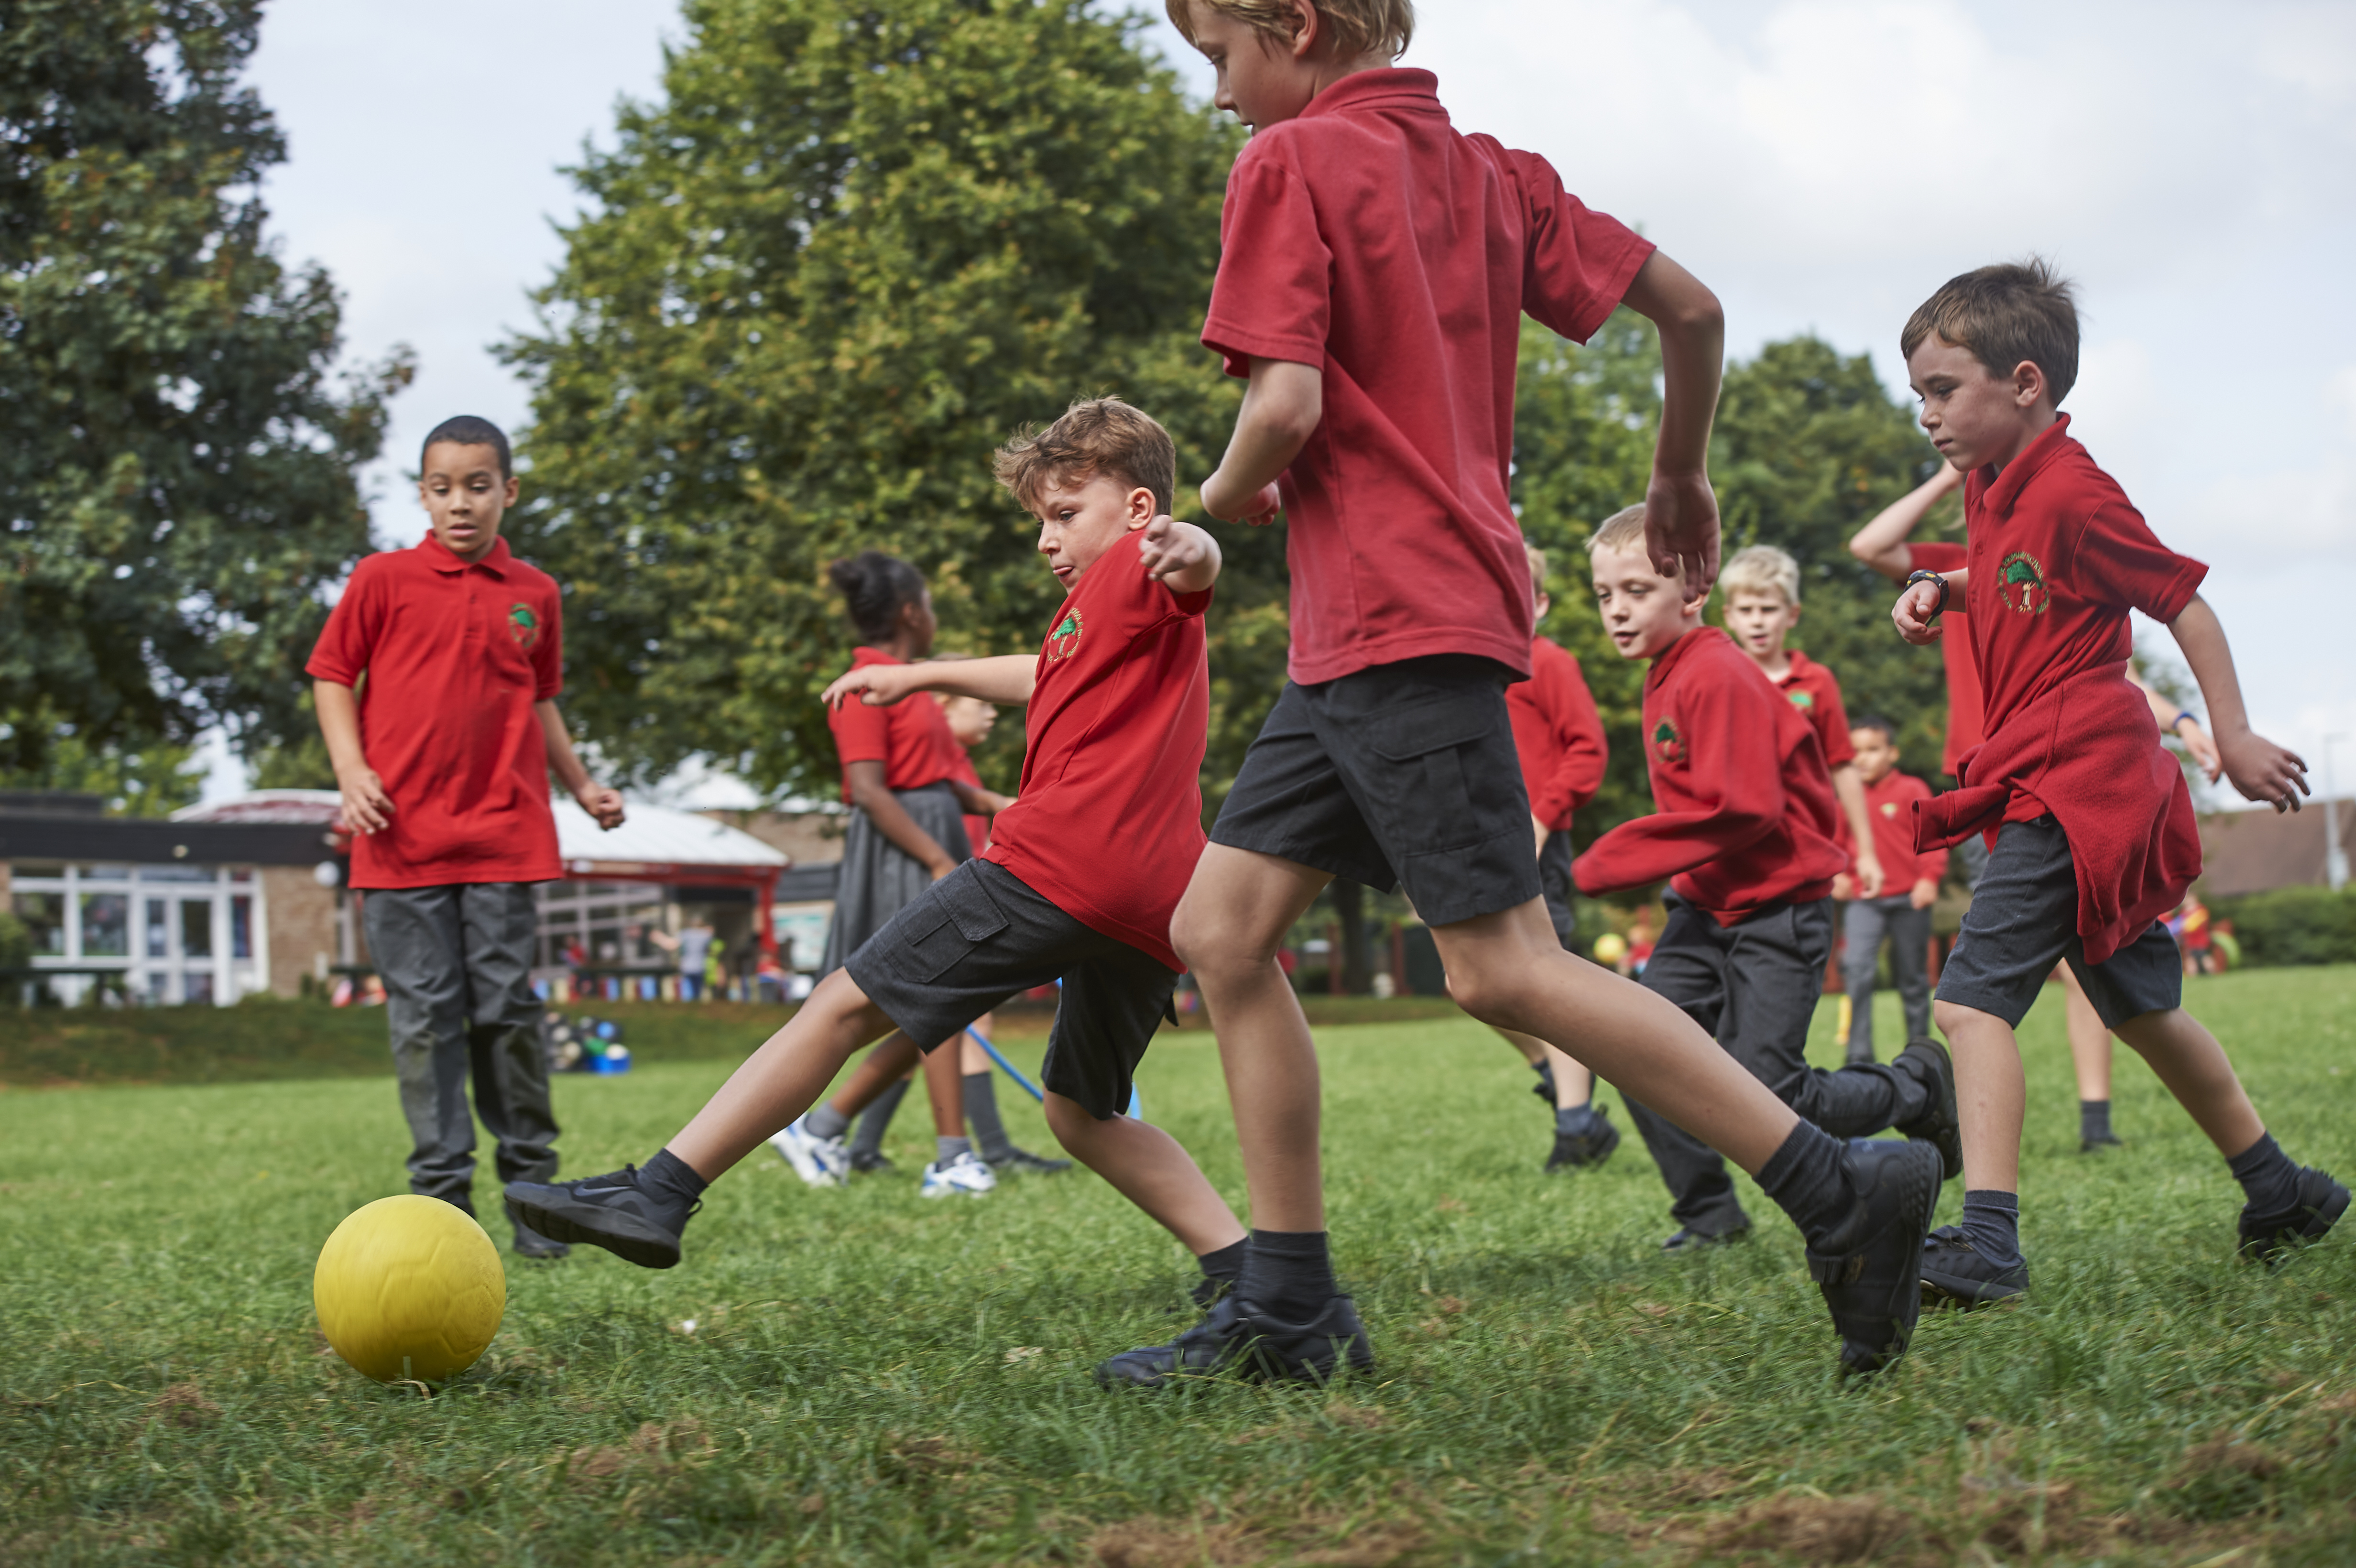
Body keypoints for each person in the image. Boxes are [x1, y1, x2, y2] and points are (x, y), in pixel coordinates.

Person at [1112, 0, 1943, 1386]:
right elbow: (1693, 307)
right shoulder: (1495, 172)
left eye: (1218, 58)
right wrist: (1681, 469)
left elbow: (1287, 405)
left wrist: (1224, 492)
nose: (1216, 97)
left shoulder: (1288, 164)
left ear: (1296, 27)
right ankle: (1293, 1309)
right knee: (1225, 929)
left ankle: (1839, 1190)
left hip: (1393, 618)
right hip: (1372, 631)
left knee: (1504, 965)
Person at [505, 399, 1262, 1321]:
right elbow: (1043, 669)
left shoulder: (1150, 570)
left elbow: (1195, 565)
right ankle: (1242, 1268)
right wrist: (916, 675)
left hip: (1059, 865)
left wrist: (1191, 547)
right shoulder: (1093, 614)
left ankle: (659, 1190)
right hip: (1150, 902)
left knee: (841, 1003)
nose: (1045, 541)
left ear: (1138, 511)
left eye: (1064, 515)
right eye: (1039, 523)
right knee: (1081, 1111)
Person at [1890, 260, 2345, 1304]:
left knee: (1968, 1009)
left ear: (2023, 383)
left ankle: (1989, 1242)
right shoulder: (1995, 481)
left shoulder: (2075, 492)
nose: (1924, 413)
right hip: (2088, 788)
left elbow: (2182, 601)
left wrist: (2227, 736)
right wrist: (1938, 587)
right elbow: (2016, 582)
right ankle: (2280, 1189)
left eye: (1940, 389)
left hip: (2071, 787)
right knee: (2140, 1008)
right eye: (1917, 391)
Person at [1572, 508, 1962, 1250]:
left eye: (1635, 590)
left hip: (1778, 908)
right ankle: (1710, 1212)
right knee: (1639, 1051)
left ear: (1691, 593)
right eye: (1603, 594)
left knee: (1767, 1087)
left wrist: (1608, 860)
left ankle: (1913, 1089)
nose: (1617, 609)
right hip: (1702, 906)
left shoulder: (1716, 674)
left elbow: (1742, 811)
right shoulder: (1666, 670)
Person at [305, 414, 627, 1260]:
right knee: (424, 1020)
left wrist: (582, 784)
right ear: (422, 494)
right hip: (399, 843)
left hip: (503, 839)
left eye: (477, 486)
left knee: (507, 1014)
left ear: (507, 492)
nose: (460, 503)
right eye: (442, 487)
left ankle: (531, 1193)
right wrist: (351, 772)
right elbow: (333, 675)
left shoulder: (535, 593)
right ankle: (442, 1206)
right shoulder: (381, 579)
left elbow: (540, 700)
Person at [1852, 469, 2227, 1152]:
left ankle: (2043, 1165)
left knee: (1978, 998)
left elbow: (2123, 673)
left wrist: (2190, 722)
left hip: (2055, 788)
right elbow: (1871, 545)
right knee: (2096, 980)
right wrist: (1943, 494)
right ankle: (2276, 1182)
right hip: (1991, 790)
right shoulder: (1953, 570)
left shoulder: (2059, 540)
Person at [765, 552, 1024, 1198]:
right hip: (902, 852)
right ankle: (950, 1156)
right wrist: (937, 861)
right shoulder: (864, 684)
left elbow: (939, 780)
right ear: (912, 613)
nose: (934, 615)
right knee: (937, 996)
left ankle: (825, 1129)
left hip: (929, 836)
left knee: (934, 1001)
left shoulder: (909, 686)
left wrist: (997, 804)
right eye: (930, 604)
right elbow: (870, 790)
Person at [843, 692, 1074, 1178]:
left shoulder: (952, 770)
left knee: (919, 1027)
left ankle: (857, 1143)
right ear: (942, 707)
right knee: (949, 1019)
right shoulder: (932, 774)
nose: (992, 711)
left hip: (961, 895)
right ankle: (979, 1149)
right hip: (952, 898)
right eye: (980, 703)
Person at [1496, 540, 1617, 1171]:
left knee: (1552, 979)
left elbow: (1586, 750)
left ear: (1539, 604)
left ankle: (1575, 1127)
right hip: (1478, 843)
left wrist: (1543, 820)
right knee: (1474, 979)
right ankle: (1556, 1071)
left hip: (1536, 843)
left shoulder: (1549, 662)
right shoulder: (1472, 672)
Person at [1718, 545, 1884, 901]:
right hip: (1735, 850)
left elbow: (1843, 767)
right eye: (1747, 610)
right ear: (1729, 616)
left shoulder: (1816, 682)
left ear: (1792, 615)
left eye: (1769, 609)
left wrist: (1866, 853)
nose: (1758, 620)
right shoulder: (1719, 680)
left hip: (1801, 849)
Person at [1832, 716, 1946, 1066]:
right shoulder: (1845, 798)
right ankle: (1859, 1056)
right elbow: (1834, 845)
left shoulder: (1912, 790)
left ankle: (1919, 1054)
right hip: (1865, 902)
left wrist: (1930, 879)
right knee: (1858, 969)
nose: (1862, 759)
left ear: (1892, 753)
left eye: (1873, 750)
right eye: (1855, 752)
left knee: (1912, 979)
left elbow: (1933, 839)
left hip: (1910, 898)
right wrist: (1839, 876)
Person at [646, 916, 717, 1001]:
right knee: (698, 995)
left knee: (688, 995)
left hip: (687, 967)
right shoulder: (706, 935)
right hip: (699, 967)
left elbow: (671, 945)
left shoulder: (686, 934)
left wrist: (659, 938)